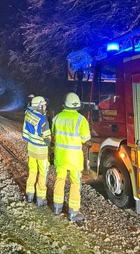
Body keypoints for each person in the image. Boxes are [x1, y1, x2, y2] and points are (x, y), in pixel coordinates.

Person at [52, 92, 91, 222]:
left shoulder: (57, 118)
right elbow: (86, 138)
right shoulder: (81, 119)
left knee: (60, 179)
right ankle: (73, 213)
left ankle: (57, 207)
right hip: (74, 158)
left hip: (61, 156)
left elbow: (53, 133)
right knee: (75, 183)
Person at [22, 96, 51, 206]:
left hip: (31, 149)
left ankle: (30, 195)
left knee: (32, 172)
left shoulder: (28, 115)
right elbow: (47, 139)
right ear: (39, 107)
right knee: (43, 174)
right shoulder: (43, 120)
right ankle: (40, 198)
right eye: (43, 105)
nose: (45, 107)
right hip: (41, 151)